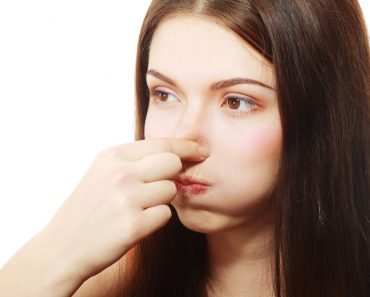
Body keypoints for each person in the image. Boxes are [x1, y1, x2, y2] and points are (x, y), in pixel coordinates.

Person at [1, 0, 369, 296]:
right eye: (164, 94)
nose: (185, 138)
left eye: (236, 101)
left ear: (322, 114)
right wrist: (54, 254)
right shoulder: (101, 279)